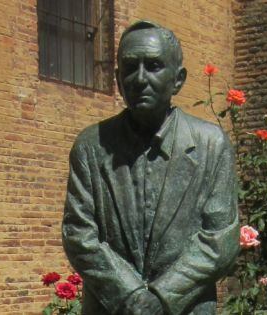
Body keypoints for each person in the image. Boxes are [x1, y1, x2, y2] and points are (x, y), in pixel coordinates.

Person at [62, 20, 239, 315]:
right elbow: (78, 233)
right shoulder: (91, 146)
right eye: (130, 68)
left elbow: (221, 239)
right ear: (118, 79)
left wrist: (162, 297)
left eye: (154, 66)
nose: (140, 78)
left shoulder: (211, 144)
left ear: (178, 79)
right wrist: (128, 294)